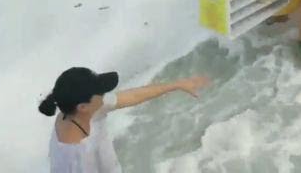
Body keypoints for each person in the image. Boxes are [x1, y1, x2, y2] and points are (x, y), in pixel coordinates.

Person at [41, 67, 209, 173]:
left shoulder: (81, 110)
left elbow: (132, 96)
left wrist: (177, 85)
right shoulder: (75, 159)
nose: (104, 95)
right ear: (83, 107)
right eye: (99, 92)